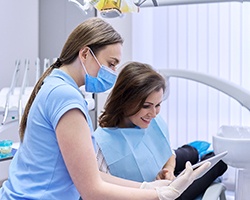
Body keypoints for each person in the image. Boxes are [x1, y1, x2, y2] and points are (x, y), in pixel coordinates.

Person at [0, 18, 210, 200]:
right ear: (85, 54)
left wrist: (148, 187)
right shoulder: (64, 96)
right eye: (111, 64)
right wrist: (158, 195)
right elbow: (92, 190)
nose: (113, 72)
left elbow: (91, 175)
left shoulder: (58, 87)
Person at [94, 61, 228, 200]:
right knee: (218, 162)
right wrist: (154, 189)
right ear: (125, 100)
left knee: (191, 153)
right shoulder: (101, 146)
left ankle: (193, 152)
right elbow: (99, 188)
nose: (153, 113)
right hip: (152, 195)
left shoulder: (150, 120)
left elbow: (168, 154)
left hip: (160, 171)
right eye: (146, 106)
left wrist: (169, 170)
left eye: (158, 105)